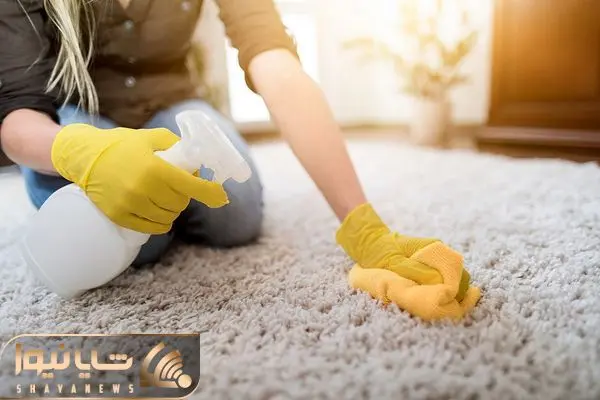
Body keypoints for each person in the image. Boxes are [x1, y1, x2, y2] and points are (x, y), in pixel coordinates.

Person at [0, 0, 478, 319]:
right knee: (140, 241)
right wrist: (81, 151)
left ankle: (158, 204)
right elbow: (18, 114)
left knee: (236, 215)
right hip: (81, 109)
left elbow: (274, 62)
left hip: (172, 100)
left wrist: (363, 224)